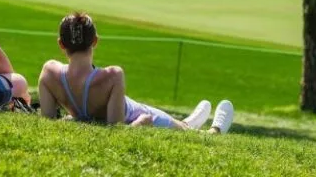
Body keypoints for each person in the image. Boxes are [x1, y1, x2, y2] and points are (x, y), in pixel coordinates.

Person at [38, 13, 234, 133]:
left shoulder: (49, 73)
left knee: (180, 125)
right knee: (183, 131)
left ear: (61, 44)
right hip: (135, 114)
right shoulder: (112, 75)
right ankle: (214, 130)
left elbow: (48, 120)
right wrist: (140, 124)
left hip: (129, 107)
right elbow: (116, 129)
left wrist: (77, 119)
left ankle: (188, 122)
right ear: (95, 41)